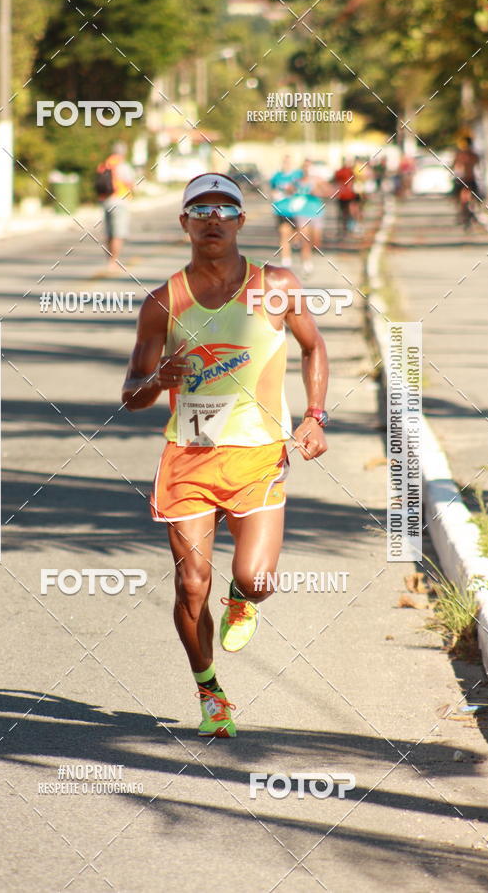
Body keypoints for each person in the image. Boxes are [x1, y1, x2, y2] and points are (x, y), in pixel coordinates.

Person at [121, 173, 329, 737]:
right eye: (200, 209)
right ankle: (210, 694)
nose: (212, 218)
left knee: (256, 578)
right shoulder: (163, 302)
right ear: (184, 222)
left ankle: (244, 599)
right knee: (191, 584)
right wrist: (156, 379)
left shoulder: (276, 285)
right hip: (188, 459)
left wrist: (315, 415)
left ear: (240, 221)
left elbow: (313, 347)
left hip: (257, 456)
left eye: (223, 209)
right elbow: (132, 394)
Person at [96, 141, 135, 275]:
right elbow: (130, 183)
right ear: (124, 153)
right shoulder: (123, 166)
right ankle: (113, 262)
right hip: (120, 202)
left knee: (109, 233)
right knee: (118, 233)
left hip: (106, 201)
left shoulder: (105, 164)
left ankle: (109, 261)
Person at [289, 159, 333, 276]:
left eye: (309, 167)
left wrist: (318, 192)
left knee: (316, 242)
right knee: (305, 240)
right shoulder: (297, 181)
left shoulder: (318, 180)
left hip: (316, 212)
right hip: (302, 213)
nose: (306, 169)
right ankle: (306, 263)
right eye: (305, 166)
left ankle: (309, 254)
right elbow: (290, 192)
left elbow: (330, 192)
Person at [269, 156, 302, 267]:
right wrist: (275, 195)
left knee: (296, 234)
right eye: (285, 162)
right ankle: (286, 259)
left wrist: (292, 191)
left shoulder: (297, 175)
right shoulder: (276, 176)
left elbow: (302, 189)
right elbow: (272, 190)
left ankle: (296, 241)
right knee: (283, 234)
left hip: (295, 210)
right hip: (281, 210)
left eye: (288, 162)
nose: (286, 164)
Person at [453, 136, 480, 227]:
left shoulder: (461, 155)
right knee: (470, 198)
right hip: (470, 179)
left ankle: (465, 213)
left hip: (465, 179)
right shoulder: (473, 155)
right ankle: (467, 212)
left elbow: (455, 166)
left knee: (463, 198)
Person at [333, 158, 358, 236]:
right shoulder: (343, 171)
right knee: (346, 212)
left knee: (346, 212)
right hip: (345, 195)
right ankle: (346, 228)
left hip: (346, 195)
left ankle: (347, 228)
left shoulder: (348, 171)